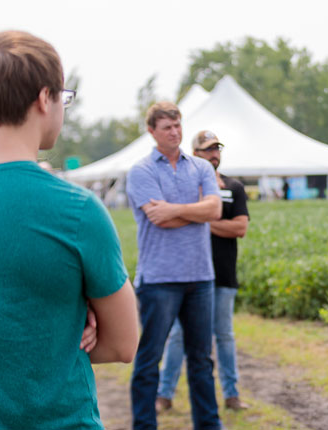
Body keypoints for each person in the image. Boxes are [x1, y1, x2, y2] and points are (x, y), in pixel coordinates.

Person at [0, 30, 139, 429]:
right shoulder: (77, 210)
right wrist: (72, 323)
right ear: (43, 98)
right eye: (63, 97)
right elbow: (123, 343)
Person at [127, 101, 223, 430]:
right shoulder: (141, 171)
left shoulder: (201, 168)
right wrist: (195, 208)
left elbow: (214, 212)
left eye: (178, 125)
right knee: (149, 359)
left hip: (200, 276)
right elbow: (159, 220)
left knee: (201, 360)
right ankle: (144, 425)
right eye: (167, 126)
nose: (174, 131)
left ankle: (209, 425)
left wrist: (174, 209)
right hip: (159, 279)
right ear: (152, 131)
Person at [156, 130, 250, 412]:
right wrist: (201, 213)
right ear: (194, 154)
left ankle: (232, 395)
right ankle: (164, 395)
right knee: (178, 336)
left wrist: (202, 219)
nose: (214, 154)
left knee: (224, 335)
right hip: (188, 274)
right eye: (208, 150)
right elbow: (171, 217)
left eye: (217, 149)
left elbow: (240, 228)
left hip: (222, 274)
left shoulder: (234, 187)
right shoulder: (184, 187)